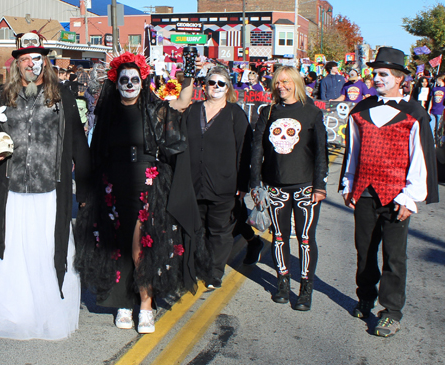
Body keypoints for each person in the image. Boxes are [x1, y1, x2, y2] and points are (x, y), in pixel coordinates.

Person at [75, 52, 210, 334]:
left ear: (142, 80)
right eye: (124, 79)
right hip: (113, 186)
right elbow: (96, 152)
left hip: (146, 185)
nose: (129, 83)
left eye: (135, 79)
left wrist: (188, 76)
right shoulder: (108, 114)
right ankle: (124, 302)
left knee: (141, 247)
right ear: (116, 81)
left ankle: (146, 304)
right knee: (118, 246)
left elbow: (183, 102)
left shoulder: (154, 110)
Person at [0, 31, 91, 340]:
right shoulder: (1, 96)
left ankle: (46, 312)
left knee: (44, 252)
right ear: (17, 64)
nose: (30, 64)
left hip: (49, 191)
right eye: (24, 59)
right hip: (11, 192)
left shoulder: (62, 96)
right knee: (12, 254)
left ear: (45, 62)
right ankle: (16, 313)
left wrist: (88, 188)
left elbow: (78, 141)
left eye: (36, 58)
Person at [339, 47, 438, 337]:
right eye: (376, 73)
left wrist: (410, 197)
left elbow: (419, 158)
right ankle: (365, 296)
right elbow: (353, 151)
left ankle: (391, 310)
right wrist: (349, 183)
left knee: (394, 256)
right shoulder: (361, 110)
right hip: (366, 192)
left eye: (383, 74)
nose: (377, 78)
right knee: (365, 251)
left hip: (397, 196)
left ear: (399, 78)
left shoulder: (414, 113)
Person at [250, 65, 328, 311]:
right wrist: (255, 182)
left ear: (296, 83)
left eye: (286, 82)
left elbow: (320, 152)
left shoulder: (312, 113)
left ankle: (306, 288)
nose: (281, 86)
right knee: (280, 237)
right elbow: (257, 149)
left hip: (305, 186)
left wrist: (319, 185)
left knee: (305, 239)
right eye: (277, 82)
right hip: (275, 185)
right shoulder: (268, 111)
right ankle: (282, 282)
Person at [186, 66, 253, 289]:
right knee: (197, 228)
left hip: (224, 183)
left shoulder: (235, 114)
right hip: (194, 181)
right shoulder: (193, 110)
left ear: (228, 88)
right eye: (212, 82)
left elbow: (245, 149)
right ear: (204, 86)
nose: (216, 87)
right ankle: (197, 266)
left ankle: (215, 272)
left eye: (221, 83)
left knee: (220, 230)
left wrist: (243, 184)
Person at [427, 75, 445, 143]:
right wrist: (429, 109)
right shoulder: (434, 88)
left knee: (439, 128)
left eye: (437, 79)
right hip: (433, 111)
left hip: (440, 111)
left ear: (440, 79)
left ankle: (438, 141)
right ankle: (432, 141)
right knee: (432, 128)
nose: (436, 81)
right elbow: (431, 100)